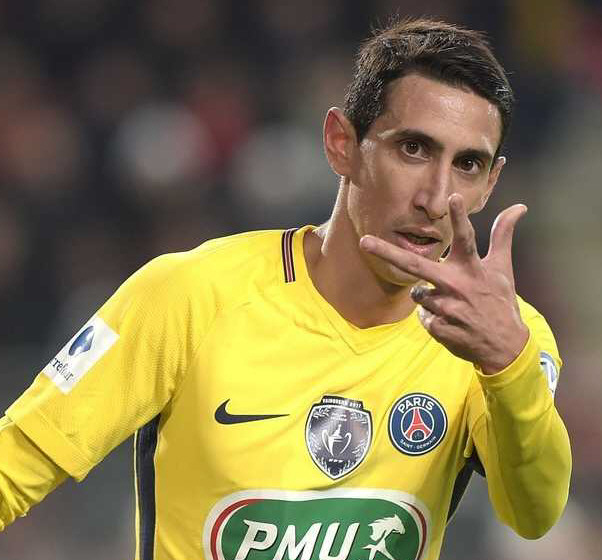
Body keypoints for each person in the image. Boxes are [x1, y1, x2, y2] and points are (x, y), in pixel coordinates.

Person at [0, 17, 571, 560]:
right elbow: (13, 465)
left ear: (490, 183)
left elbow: (534, 513)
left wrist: (508, 364)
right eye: (413, 149)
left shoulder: (501, 339)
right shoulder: (190, 295)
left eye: (468, 164)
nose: (435, 197)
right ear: (342, 144)